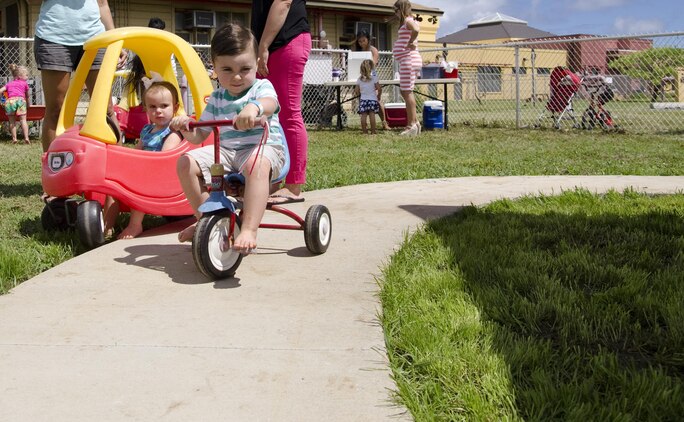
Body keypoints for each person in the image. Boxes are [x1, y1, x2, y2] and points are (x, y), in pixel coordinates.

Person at [171, 23, 287, 253]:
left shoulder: (261, 88)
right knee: (185, 162)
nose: (236, 77)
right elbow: (200, 136)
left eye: (245, 68)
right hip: (226, 153)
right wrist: (186, 127)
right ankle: (208, 219)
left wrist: (254, 109)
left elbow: (270, 104)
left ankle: (249, 229)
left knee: (256, 165)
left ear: (256, 64)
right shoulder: (216, 98)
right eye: (227, 69)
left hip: (262, 148)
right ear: (214, 68)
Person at [34, 0, 126, 153]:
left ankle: (117, 167)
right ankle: (54, 171)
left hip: (96, 39)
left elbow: (102, 4)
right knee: (56, 111)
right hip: (53, 37)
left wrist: (114, 39)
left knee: (106, 109)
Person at [104, 81, 182, 239]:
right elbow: (137, 152)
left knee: (138, 186)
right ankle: (107, 227)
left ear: (174, 107)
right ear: (145, 108)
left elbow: (164, 159)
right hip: (144, 169)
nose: (158, 111)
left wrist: (141, 166)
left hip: (161, 176)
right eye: (152, 107)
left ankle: (135, 225)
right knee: (111, 186)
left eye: (164, 106)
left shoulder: (172, 132)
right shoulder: (147, 130)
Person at [251, 0, 310, 204]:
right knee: (267, 115)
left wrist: (264, 45)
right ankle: (274, 178)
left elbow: (283, 3)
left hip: (285, 43)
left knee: (288, 113)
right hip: (270, 47)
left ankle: (293, 185)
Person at [392, 0, 422, 136]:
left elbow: (416, 30)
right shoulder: (408, 21)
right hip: (409, 59)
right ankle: (415, 123)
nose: (395, 14)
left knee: (406, 92)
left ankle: (411, 124)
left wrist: (410, 42)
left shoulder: (408, 20)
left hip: (408, 60)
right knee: (407, 92)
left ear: (401, 9)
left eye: (396, 11)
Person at [354, 30, 391, 131]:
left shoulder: (373, 50)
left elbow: (373, 64)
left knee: (377, 101)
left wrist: (365, 69)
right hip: (362, 78)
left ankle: (384, 123)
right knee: (363, 101)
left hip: (371, 78)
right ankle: (364, 124)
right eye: (359, 41)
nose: (361, 43)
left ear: (368, 39)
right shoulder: (359, 51)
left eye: (363, 40)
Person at [0, 64, 31, 144]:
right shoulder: (24, 84)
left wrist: (1, 101)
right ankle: (26, 138)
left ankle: (14, 139)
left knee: (12, 122)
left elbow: (0, 91)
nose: (27, 77)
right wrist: (28, 104)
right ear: (19, 76)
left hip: (10, 102)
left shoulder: (9, 84)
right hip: (21, 101)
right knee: (23, 120)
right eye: (26, 75)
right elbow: (27, 96)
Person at [355, 59, 381, 135]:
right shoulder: (374, 78)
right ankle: (373, 131)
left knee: (363, 115)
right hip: (372, 99)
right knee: (372, 114)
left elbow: (356, 90)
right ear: (372, 68)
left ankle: (364, 131)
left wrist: (359, 94)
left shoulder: (359, 80)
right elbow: (379, 88)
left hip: (363, 100)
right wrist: (379, 95)